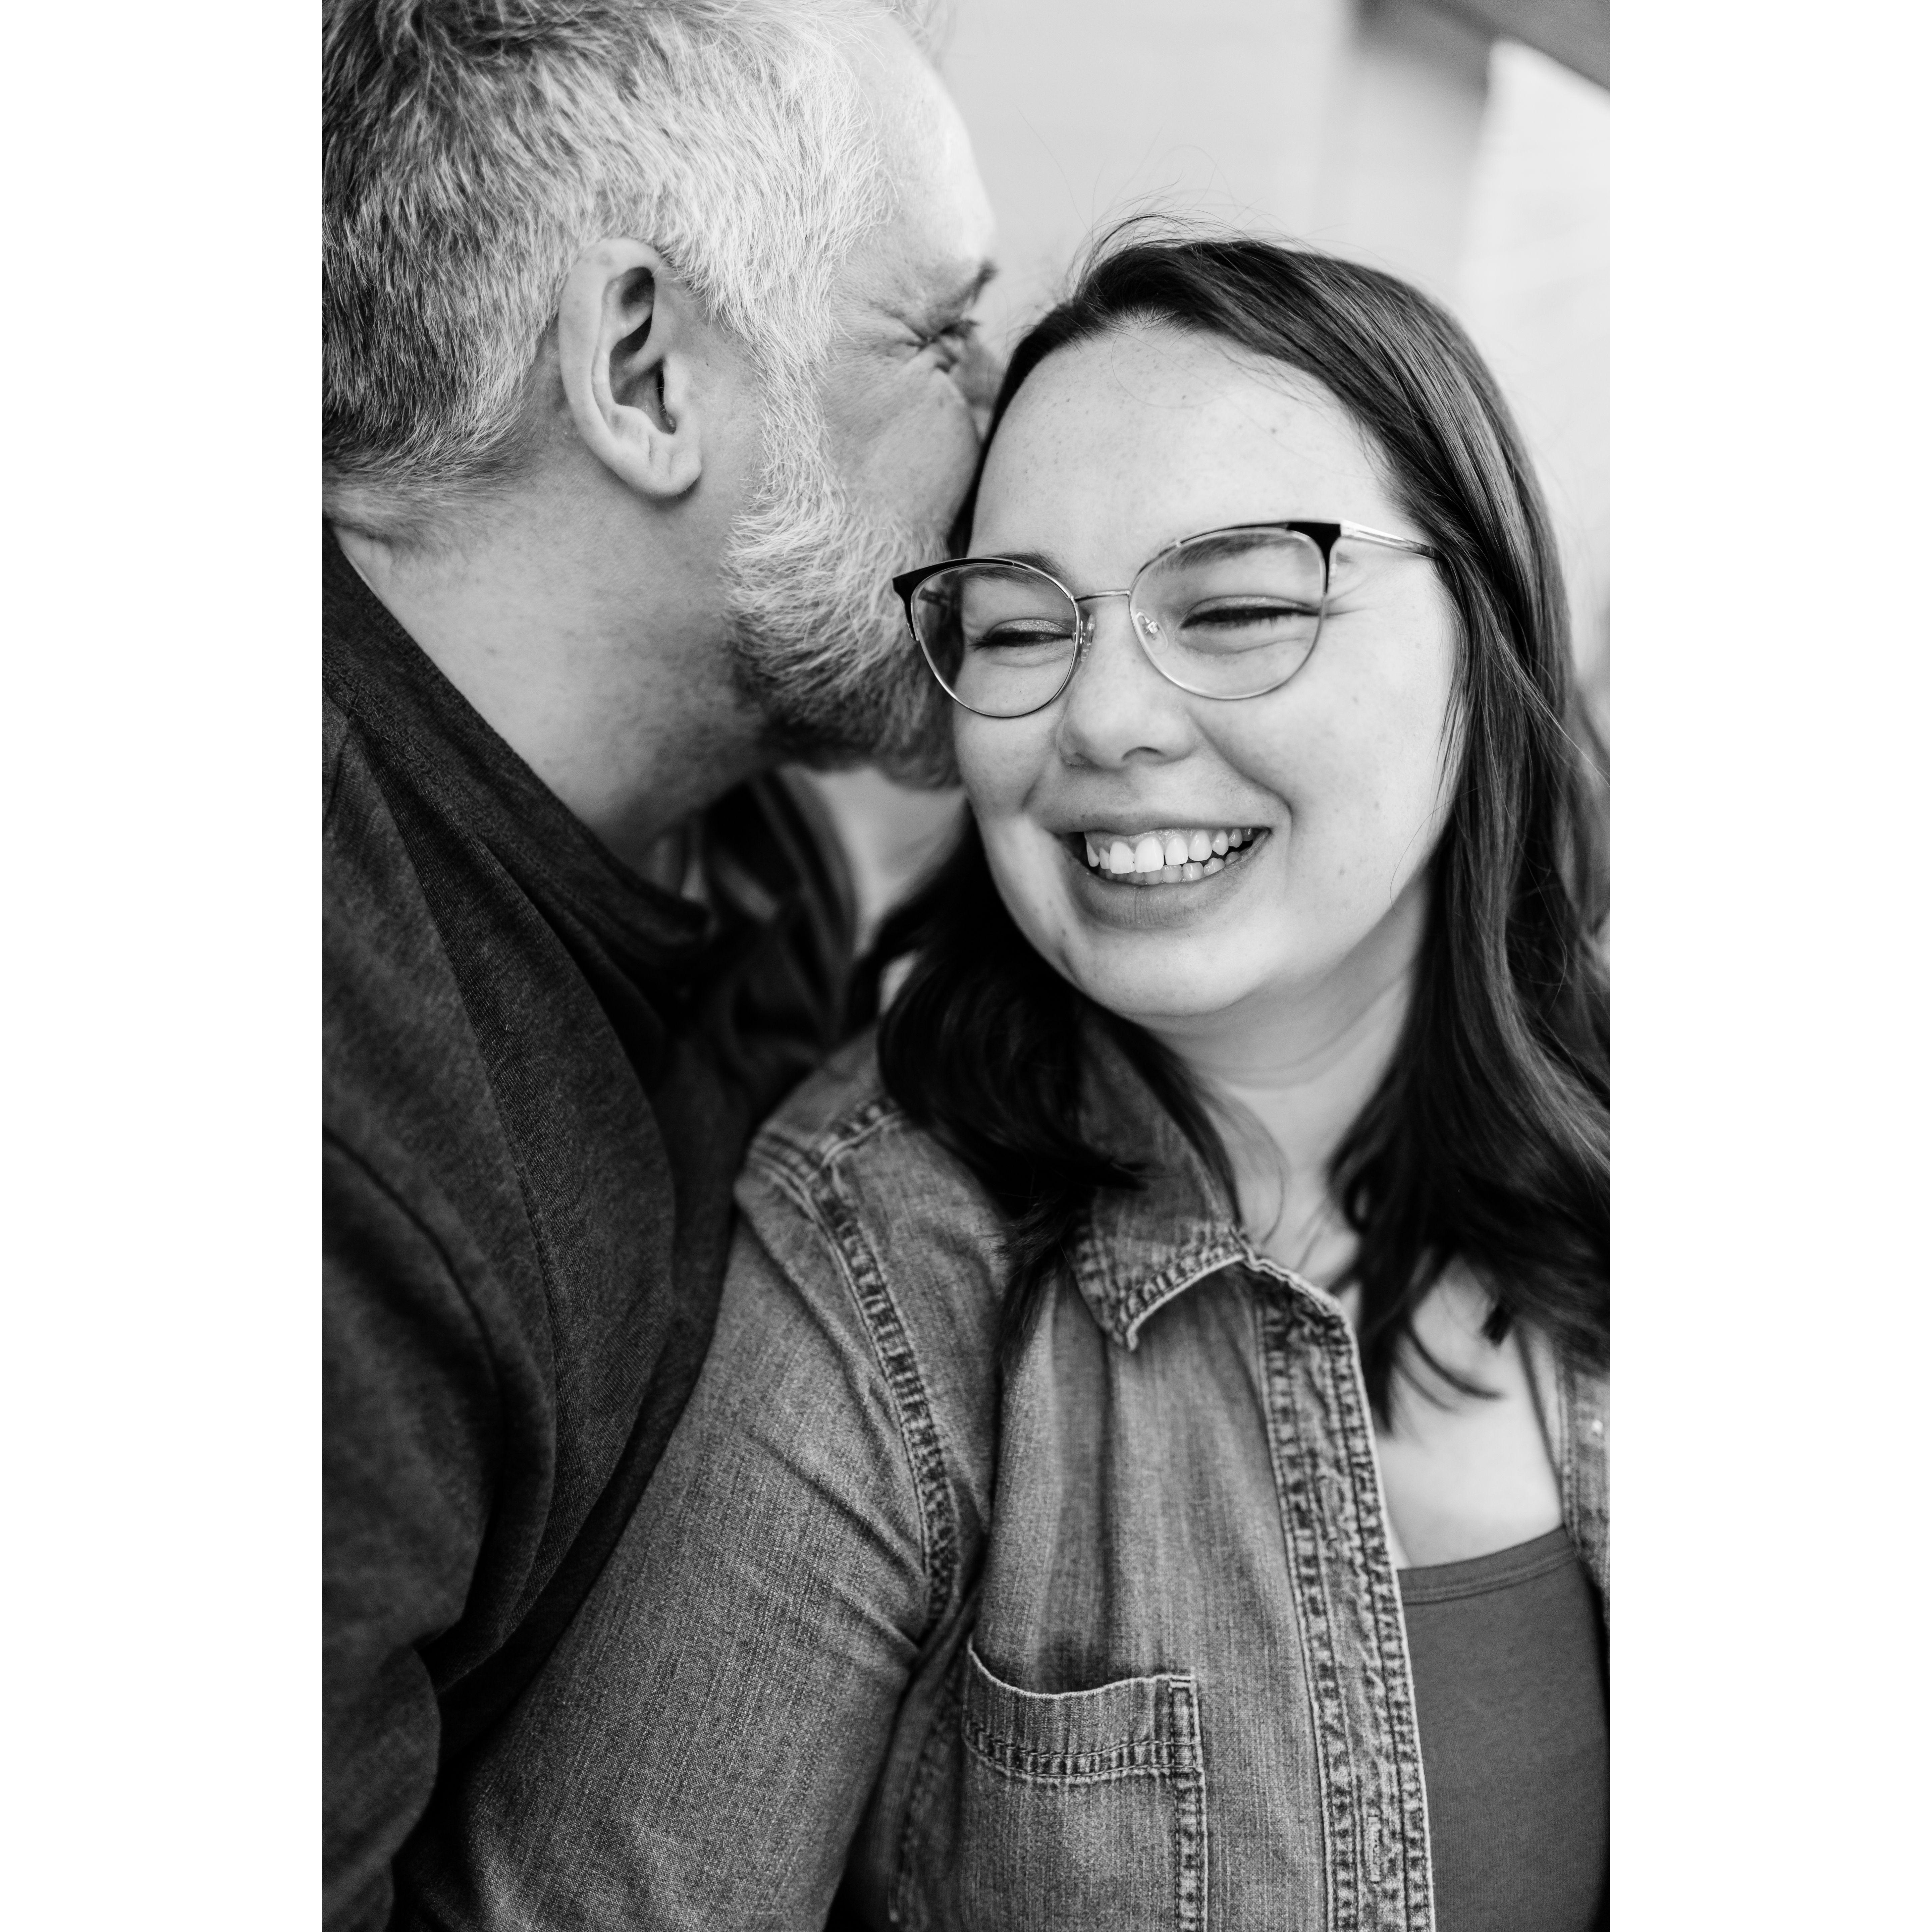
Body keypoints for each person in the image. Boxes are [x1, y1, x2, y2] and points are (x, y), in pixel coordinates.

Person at [429, 235, 1610, 1930]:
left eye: (1238, 608)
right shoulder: (877, 1271)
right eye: (1017, 626)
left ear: (1484, 634)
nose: (1105, 719)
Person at [321, 1, 996, 1926]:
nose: (1012, 425)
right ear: (644, 370)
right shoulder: (333, 1139)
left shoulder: (747, 830)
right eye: (945, 338)